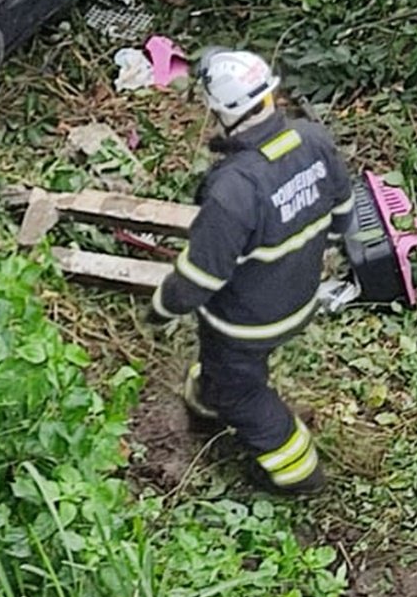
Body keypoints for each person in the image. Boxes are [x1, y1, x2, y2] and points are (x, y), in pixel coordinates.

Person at [145, 48, 356, 495]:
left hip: (245, 322)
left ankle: (298, 471)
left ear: (224, 111)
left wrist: (162, 307)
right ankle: (206, 400)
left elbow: (200, 277)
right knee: (224, 370)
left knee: (240, 390)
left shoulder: (234, 189)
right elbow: (343, 211)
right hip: (298, 297)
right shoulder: (311, 140)